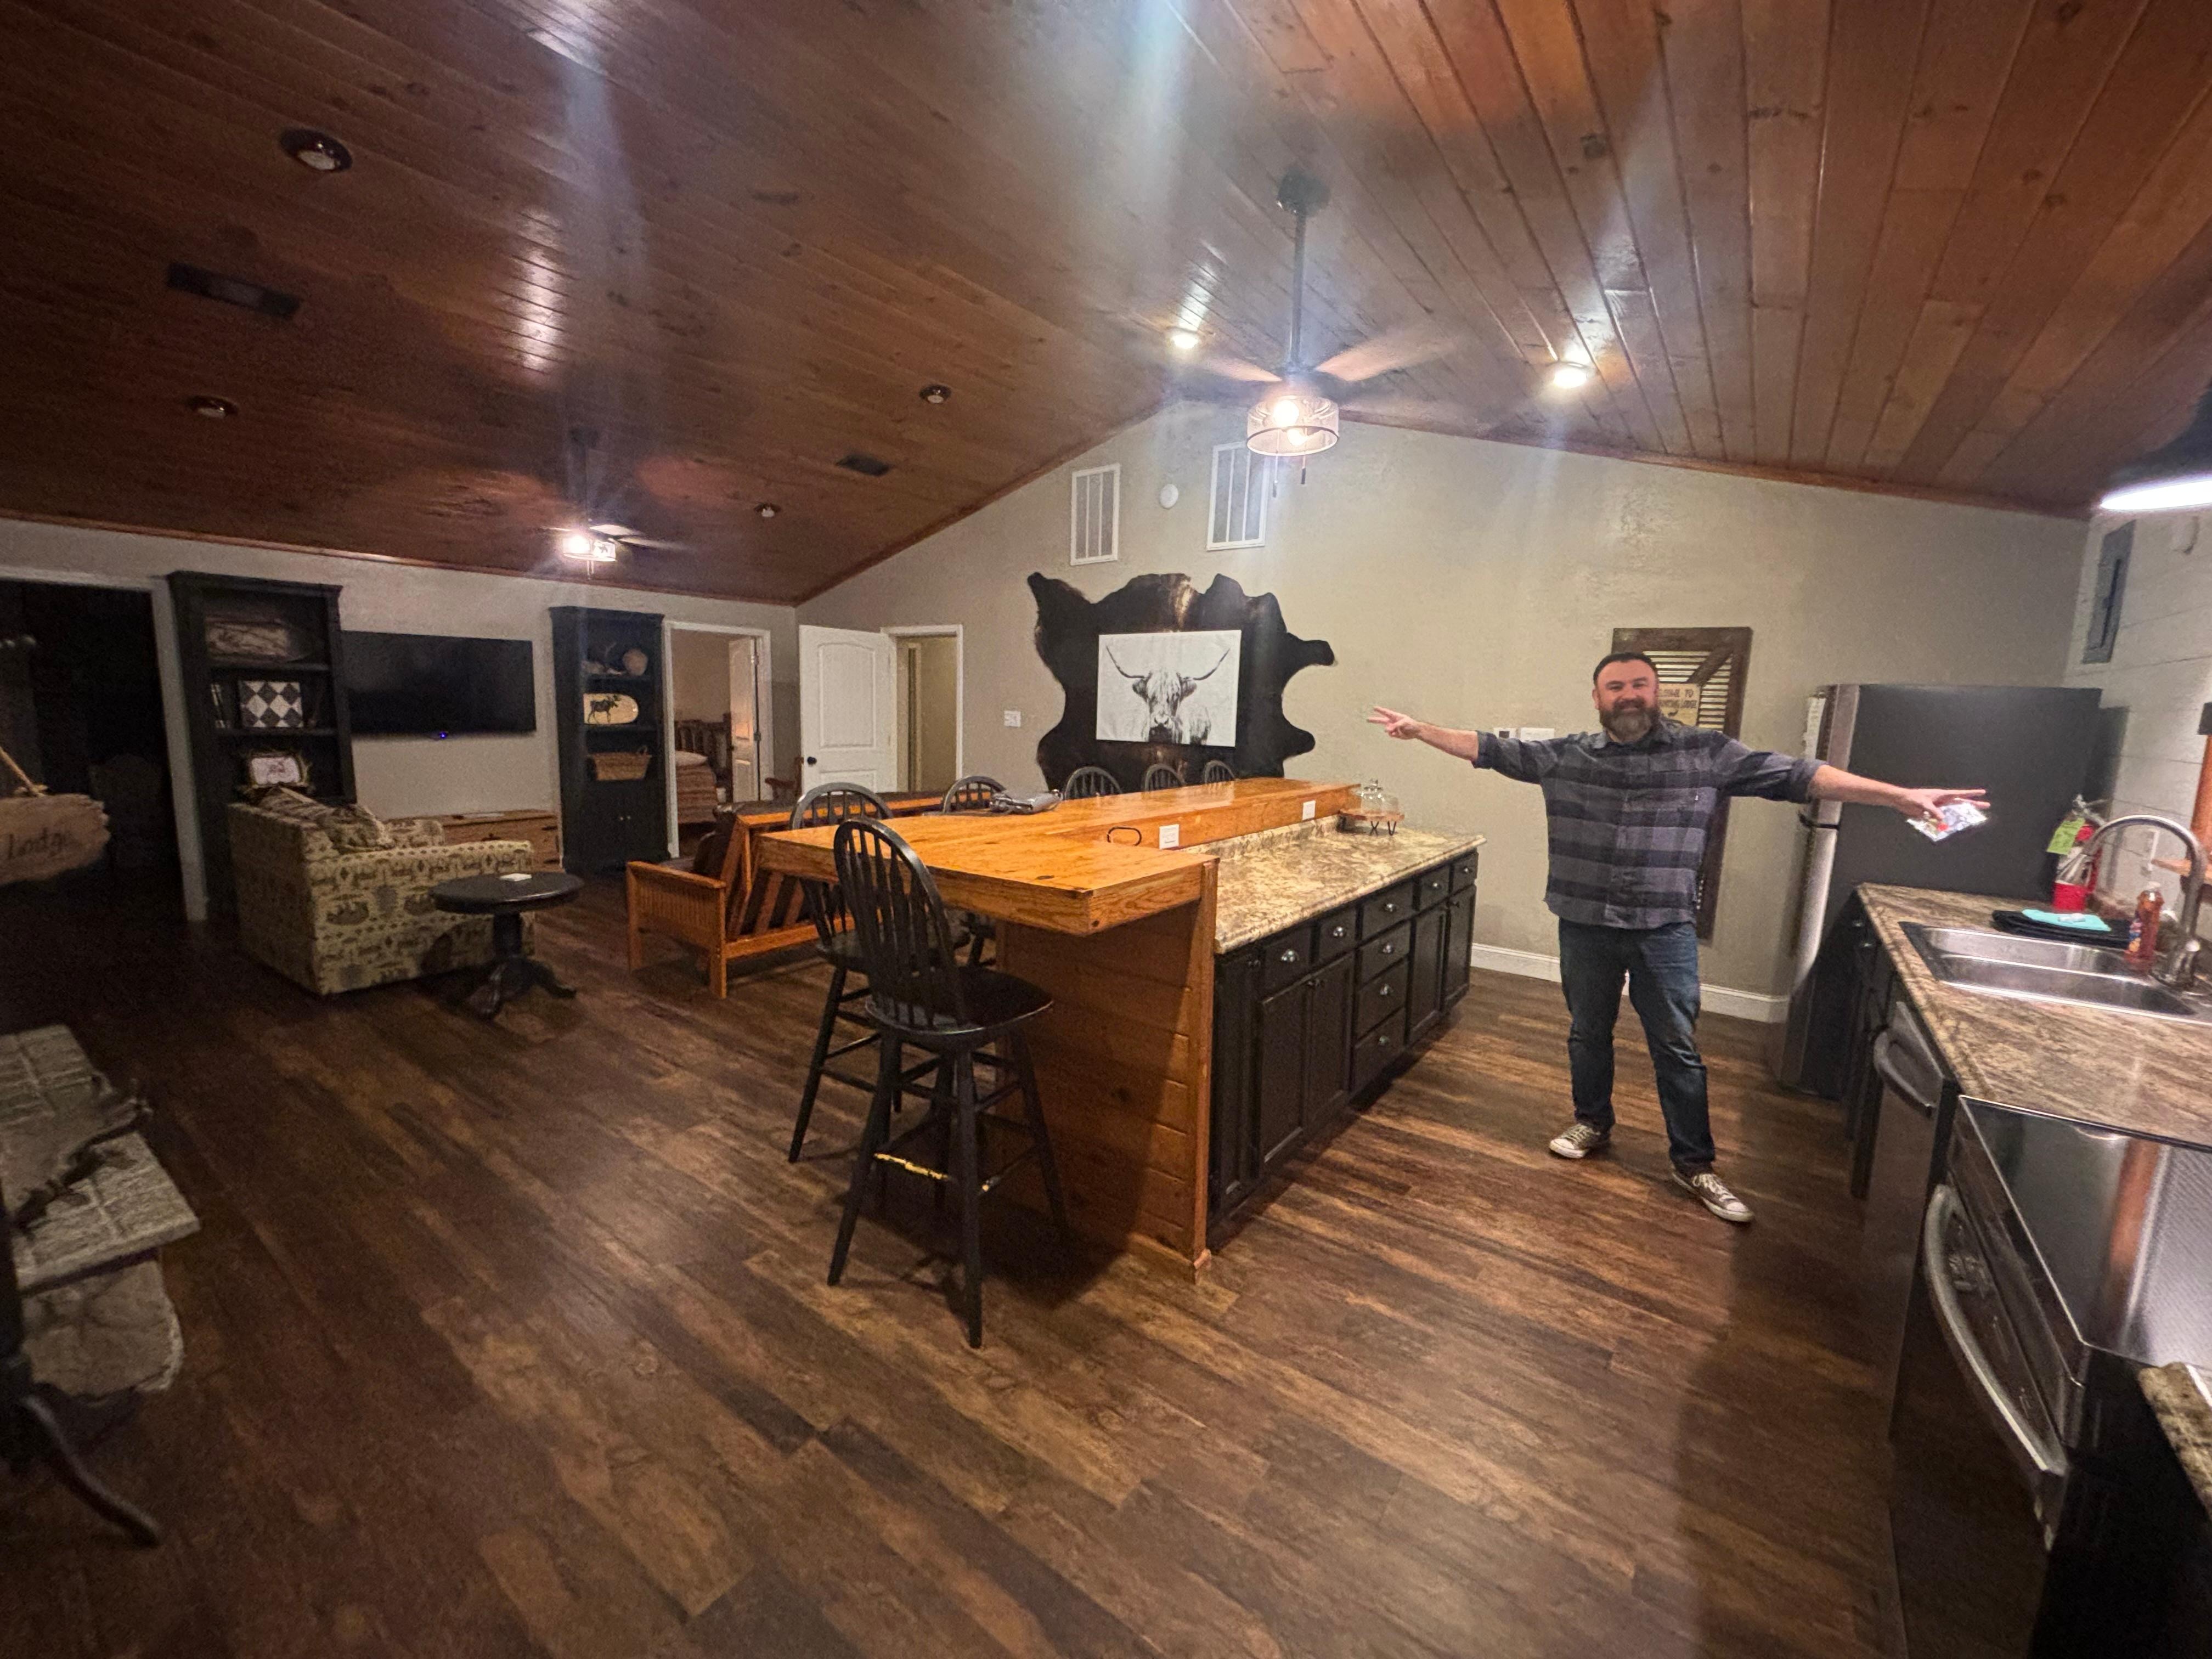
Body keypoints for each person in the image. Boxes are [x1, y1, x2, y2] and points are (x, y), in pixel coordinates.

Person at [1369, 653, 1984, 1224]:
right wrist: (1420, 730)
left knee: (1676, 1046)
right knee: (1587, 1032)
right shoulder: (1565, 757)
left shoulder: (1707, 753)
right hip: (1585, 922)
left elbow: (1801, 776)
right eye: (1616, 687)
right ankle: (1592, 1123)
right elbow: (1487, 747)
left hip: (1664, 927)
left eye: (1639, 684)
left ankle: (1694, 1163)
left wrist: (1897, 796)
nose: (1629, 695)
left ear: (1657, 692)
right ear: (1597, 698)